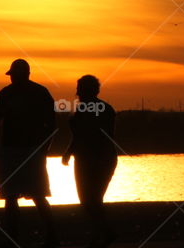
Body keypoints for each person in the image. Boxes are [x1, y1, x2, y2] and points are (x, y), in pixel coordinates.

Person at [0, 59, 57, 247]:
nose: (11, 78)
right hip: (13, 150)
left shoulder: (37, 93)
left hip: (28, 150)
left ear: (24, 74)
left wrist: (44, 147)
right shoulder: (12, 93)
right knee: (14, 195)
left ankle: (48, 236)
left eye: (13, 75)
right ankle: (15, 237)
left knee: (33, 194)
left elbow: (50, 124)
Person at [62, 74, 117, 248]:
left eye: (79, 88)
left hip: (100, 158)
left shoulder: (104, 109)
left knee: (92, 199)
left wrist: (100, 158)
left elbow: (105, 136)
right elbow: (78, 135)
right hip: (84, 158)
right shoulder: (81, 108)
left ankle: (103, 234)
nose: (76, 92)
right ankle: (103, 233)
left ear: (88, 90)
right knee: (87, 200)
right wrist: (69, 152)